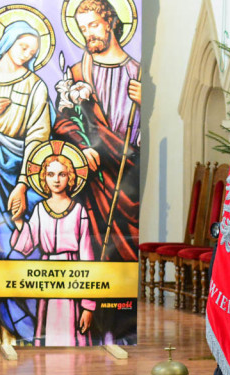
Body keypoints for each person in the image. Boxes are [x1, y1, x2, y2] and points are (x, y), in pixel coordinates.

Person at [0, 18, 52, 341]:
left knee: (20, 242)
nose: (25, 54)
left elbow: (38, 137)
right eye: (22, 46)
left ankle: (25, 323)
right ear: (6, 41)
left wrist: (22, 184)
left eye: (32, 51)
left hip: (17, 171)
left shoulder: (36, 86)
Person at [53, 0, 140, 260]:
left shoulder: (137, 73)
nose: (88, 33)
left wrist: (145, 102)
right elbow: (62, 123)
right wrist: (82, 145)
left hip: (128, 175)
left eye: (93, 25)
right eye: (83, 28)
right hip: (92, 177)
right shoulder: (78, 73)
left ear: (111, 22)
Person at [10, 150, 95, 346]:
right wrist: (19, 221)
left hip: (73, 278)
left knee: (73, 336)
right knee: (48, 333)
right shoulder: (40, 209)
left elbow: (88, 259)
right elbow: (28, 244)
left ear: (70, 177)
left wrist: (88, 306)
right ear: (44, 178)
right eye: (50, 174)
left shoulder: (78, 211)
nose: (56, 180)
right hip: (47, 278)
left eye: (62, 174)